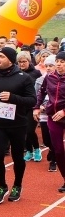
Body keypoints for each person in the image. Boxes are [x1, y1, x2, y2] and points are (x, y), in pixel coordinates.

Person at [0, 47, 37, 203]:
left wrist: (13, 97)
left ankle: (17, 185)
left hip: (18, 124)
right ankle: (2, 186)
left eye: (1, 56)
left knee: (18, 157)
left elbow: (32, 100)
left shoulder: (24, 78)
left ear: (10, 60)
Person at [34, 51, 65, 192]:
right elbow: (42, 91)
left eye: (62, 61)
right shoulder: (50, 77)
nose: (59, 64)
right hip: (53, 116)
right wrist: (36, 107)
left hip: (63, 114)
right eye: (57, 61)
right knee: (58, 150)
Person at [16, 52, 43, 162]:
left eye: (24, 61)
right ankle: (29, 151)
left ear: (29, 61)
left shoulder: (36, 73)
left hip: (32, 105)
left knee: (30, 130)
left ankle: (37, 149)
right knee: (23, 131)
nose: (22, 64)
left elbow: (42, 89)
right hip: (20, 105)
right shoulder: (16, 73)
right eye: (20, 62)